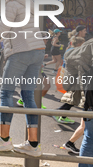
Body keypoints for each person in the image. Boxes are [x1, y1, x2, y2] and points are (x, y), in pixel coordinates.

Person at [0, 0, 45, 157]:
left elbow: (3, 31)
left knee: (6, 93)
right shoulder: (31, 5)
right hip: (38, 51)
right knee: (28, 96)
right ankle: (33, 144)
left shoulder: (12, 4)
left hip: (21, 52)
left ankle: (4, 140)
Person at [60, 37, 93, 166]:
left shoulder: (88, 46)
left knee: (89, 138)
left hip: (90, 101)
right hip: (90, 102)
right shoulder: (89, 46)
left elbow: (69, 56)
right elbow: (69, 56)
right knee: (90, 138)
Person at [53, 36, 86, 124]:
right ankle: (59, 112)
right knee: (74, 98)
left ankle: (60, 113)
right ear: (78, 44)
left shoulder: (70, 50)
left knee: (74, 98)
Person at [17, 34, 51, 109]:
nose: (47, 41)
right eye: (45, 39)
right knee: (34, 87)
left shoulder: (41, 47)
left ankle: (26, 100)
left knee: (47, 85)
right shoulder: (35, 47)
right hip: (33, 70)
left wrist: (42, 59)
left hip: (39, 70)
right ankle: (35, 101)